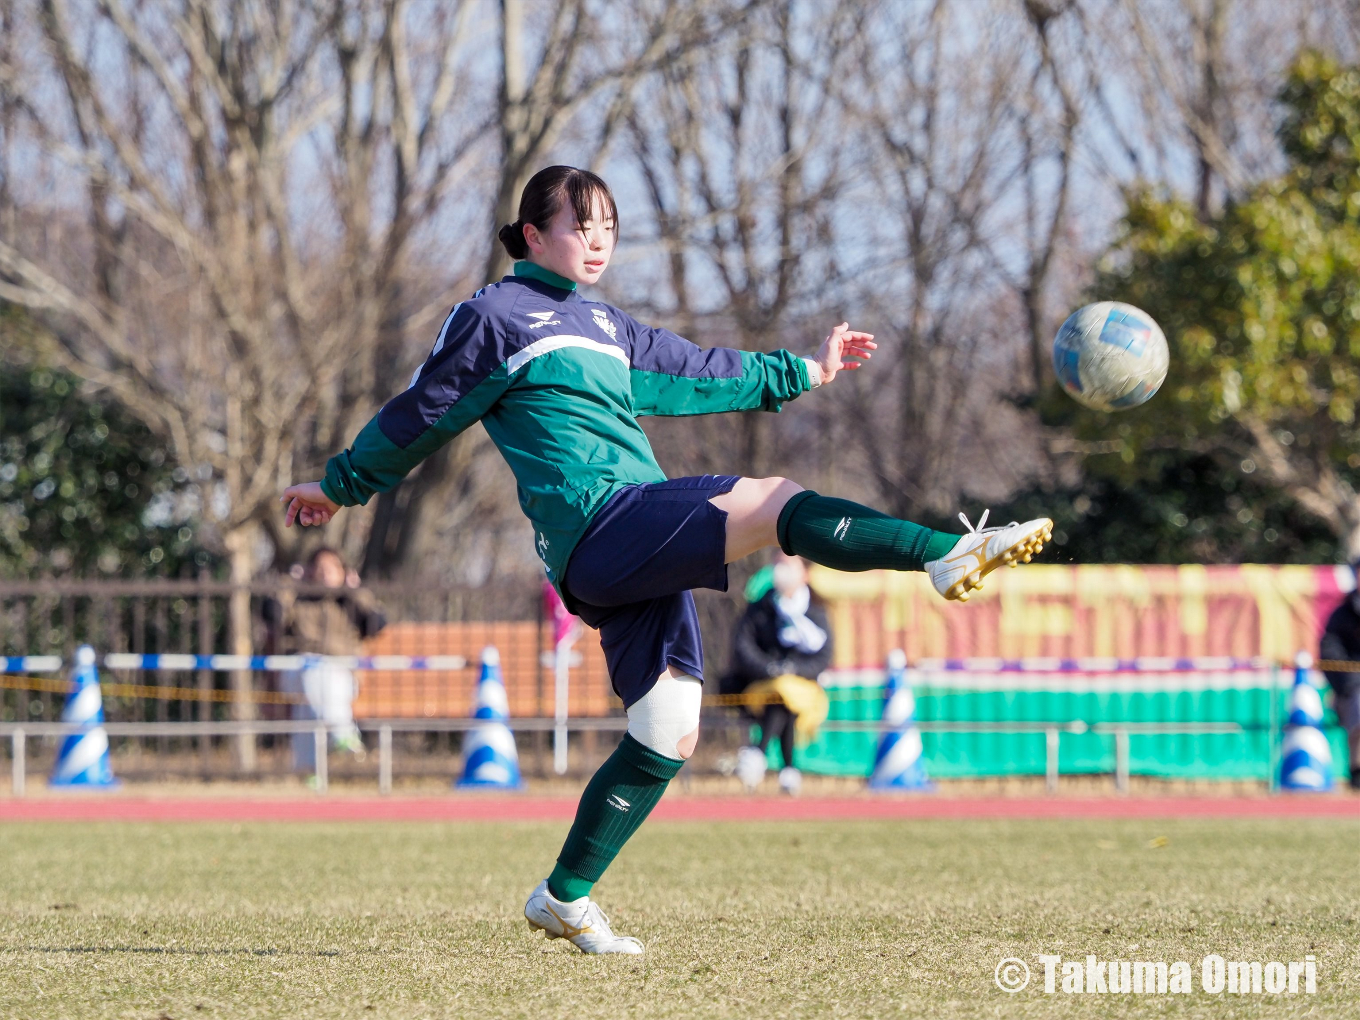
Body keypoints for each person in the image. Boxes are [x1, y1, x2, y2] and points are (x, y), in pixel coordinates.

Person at [280, 166, 1051, 954]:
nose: (598, 239)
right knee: (775, 502)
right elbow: (425, 410)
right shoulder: (495, 316)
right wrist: (341, 486)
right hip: (600, 525)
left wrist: (804, 371)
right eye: (582, 224)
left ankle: (565, 896)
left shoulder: (607, 326)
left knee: (669, 731)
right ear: (532, 234)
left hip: (630, 547)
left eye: (609, 226)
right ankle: (945, 553)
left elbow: (695, 370)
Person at [264, 547, 386, 769]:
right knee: (314, 671)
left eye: (331, 568)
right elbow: (272, 615)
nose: (325, 573)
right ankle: (343, 734)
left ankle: (308, 771)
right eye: (320, 567)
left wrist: (355, 591)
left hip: (342, 677)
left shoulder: (349, 602)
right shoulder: (298, 598)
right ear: (309, 571)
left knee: (310, 705)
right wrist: (290, 585)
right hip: (297, 670)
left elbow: (376, 624)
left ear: (343, 571)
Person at [723, 551, 833, 795]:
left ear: (804, 572)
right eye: (778, 564)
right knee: (782, 696)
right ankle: (789, 770)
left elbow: (823, 656)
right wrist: (769, 669)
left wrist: (794, 670)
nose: (781, 570)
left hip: (805, 689)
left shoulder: (816, 609)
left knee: (787, 695)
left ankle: (758, 751)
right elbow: (743, 646)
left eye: (788, 565)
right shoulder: (760, 607)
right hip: (761, 685)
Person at [1320, 556, 1360, 791]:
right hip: (1351, 687)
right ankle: (1357, 770)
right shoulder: (1342, 614)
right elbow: (1330, 652)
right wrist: (1349, 682)